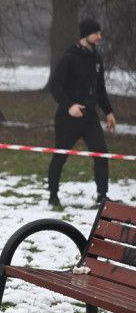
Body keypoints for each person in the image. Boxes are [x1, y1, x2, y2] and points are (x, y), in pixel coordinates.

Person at [47, 18, 117, 208]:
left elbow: (100, 90)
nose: (100, 37)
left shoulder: (97, 59)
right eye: (97, 33)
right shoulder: (69, 57)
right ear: (87, 34)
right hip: (67, 118)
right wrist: (69, 106)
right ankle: (53, 196)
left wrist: (109, 112)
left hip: (90, 118)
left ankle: (102, 196)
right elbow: (55, 85)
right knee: (60, 156)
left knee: (101, 154)